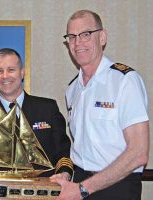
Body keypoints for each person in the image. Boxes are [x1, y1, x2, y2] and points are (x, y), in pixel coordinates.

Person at [50, 10, 150, 200]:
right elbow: (82, 148)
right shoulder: (72, 90)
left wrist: (83, 189)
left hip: (118, 188)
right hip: (79, 185)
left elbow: (139, 153)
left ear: (102, 37)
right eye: (72, 37)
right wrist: (67, 174)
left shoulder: (125, 81)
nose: (78, 43)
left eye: (86, 34)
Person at [0, 48, 73, 179]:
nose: (5, 76)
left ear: (22, 73)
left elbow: (62, 150)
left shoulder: (47, 109)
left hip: (42, 190)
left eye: (11, 70)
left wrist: (64, 172)